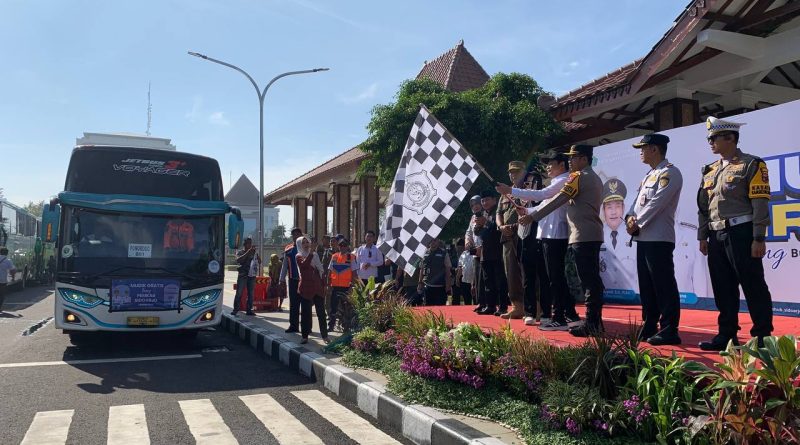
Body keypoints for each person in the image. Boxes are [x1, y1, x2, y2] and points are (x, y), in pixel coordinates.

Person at [697, 116, 773, 351]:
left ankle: (762, 337)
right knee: (722, 287)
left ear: (730, 138)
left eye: (714, 137)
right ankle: (727, 335)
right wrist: (702, 235)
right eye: (709, 138)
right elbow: (703, 205)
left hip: (742, 232)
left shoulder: (752, 164)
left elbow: (760, 202)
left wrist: (758, 237)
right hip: (716, 234)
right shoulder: (709, 171)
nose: (710, 142)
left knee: (753, 284)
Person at [520, 145, 604, 337]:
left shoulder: (579, 177)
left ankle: (592, 323)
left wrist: (533, 217)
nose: (570, 162)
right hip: (588, 233)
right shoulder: (593, 177)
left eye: (573, 158)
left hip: (583, 234)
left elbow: (559, 200)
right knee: (591, 279)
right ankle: (594, 321)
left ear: (583, 159)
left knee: (589, 280)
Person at [501, 149, 581, 331]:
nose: (547, 168)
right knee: (554, 278)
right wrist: (526, 211)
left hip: (556, 234)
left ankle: (562, 316)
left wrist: (510, 190)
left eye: (551, 164)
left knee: (555, 278)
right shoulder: (557, 181)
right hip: (547, 234)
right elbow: (543, 204)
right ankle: (567, 315)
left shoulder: (564, 180)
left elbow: (541, 195)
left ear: (562, 165)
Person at [625, 133, 683, 345]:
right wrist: (629, 218)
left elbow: (657, 203)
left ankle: (669, 328)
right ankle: (650, 324)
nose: (641, 152)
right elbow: (636, 204)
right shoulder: (649, 175)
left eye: (644, 147)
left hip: (659, 238)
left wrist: (636, 222)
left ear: (655, 149)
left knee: (663, 284)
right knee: (647, 285)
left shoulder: (670, 173)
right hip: (643, 238)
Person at [496, 161, 526, 319]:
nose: (513, 175)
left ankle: (535, 306)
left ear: (523, 171)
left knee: (526, 270)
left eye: (516, 172)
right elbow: (499, 213)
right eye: (511, 172)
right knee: (511, 271)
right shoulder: (504, 193)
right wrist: (501, 226)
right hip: (507, 235)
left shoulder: (528, 189)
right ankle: (517, 305)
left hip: (523, 233)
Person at [599, 179, 638, 294]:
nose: (613, 212)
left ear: (624, 208)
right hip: (605, 299)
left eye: (617, 206)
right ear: (603, 210)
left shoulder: (634, 234)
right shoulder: (597, 234)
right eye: (609, 207)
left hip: (633, 299)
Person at [473, 189, 508, 315]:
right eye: (482, 200)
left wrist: (486, 223)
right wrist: (478, 226)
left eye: (487, 199)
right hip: (485, 253)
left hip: (498, 251)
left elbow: (498, 229)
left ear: (494, 200)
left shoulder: (498, 212)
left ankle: (503, 307)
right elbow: (477, 233)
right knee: (488, 282)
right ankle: (490, 306)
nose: (484, 202)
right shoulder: (482, 213)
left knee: (500, 281)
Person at [295, 236, 329, 344]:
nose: (306, 244)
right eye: (303, 243)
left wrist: (324, 285)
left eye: (307, 242)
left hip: (317, 288)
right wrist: (311, 253)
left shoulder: (315, 255)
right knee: (305, 313)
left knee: (321, 313)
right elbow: (304, 266)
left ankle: (325, 336)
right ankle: (304, 336)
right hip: (306, 289)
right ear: (300, 245)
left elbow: (321, 270)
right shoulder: (298, 256)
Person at [327, 238, 357, 331]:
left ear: (348, 246)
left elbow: (354, 273)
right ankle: (331, 326)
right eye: (341, 245)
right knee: (333, 307)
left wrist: (352, 286)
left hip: (346, 287)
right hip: (335, 286)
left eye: (344, 245)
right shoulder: (334, 256)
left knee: (346, 308)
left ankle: (345, 326)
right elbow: (330, 271)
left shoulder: (351, 257)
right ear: (338, 246)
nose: (342, 247)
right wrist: (328, 285)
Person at [279, 227, 304, 333]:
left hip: (305, 281)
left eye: (298, 234)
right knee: (293, 304)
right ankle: (293, 326)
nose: (296, 236)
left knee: (305, 304)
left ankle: (306, 327)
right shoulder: (288, 250)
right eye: (294, 235)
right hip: (293, 280)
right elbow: (284, 265)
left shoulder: (306, 248)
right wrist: (281, 279)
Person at [464, 195, 485, 312]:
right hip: (476, 252)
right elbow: (468, 232)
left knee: (487, 279)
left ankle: (490, 303)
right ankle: (480, 302)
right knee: (477, 278)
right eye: (472, 205)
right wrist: (467, 241)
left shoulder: (486, 214)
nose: (475, 207)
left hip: (487, 251)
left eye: (477, 204)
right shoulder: (472, 218)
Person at [418, 238, 452, 305]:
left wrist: (448, 285)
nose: (433, 242)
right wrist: (419, 283)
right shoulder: (424, 253)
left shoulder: (444, 253)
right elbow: (421, 269)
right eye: (431, 240)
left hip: (440, 286)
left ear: (438, 241)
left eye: (435, 240)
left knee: (440, 308)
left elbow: (448, 270)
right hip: (427, 285)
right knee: (428, 307)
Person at [232, 237, 260, 316]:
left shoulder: (254, 253)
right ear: (244, 244)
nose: (250, 245)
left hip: (252, 275)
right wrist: (248, 252)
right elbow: (238, 260)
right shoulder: (240, 252)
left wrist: (257, 256)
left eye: (251, 243)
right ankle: (235, 309)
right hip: (243, 275)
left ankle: (249, 310)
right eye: (248, 243)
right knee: (239, 293)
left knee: (251, 294)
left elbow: (259, 262)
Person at [0, 247, 18, 311]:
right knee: (2, 295)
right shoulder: (8, 261)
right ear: (7, 253)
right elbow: (13, 271)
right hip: (2, 281)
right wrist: (13, 278)